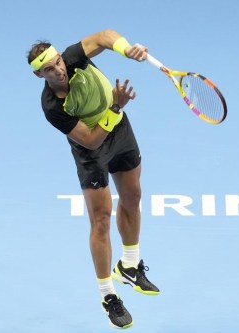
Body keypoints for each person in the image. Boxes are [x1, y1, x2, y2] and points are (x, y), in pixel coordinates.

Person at [27, 29, 159, 329]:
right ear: (40, 75)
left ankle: (129, 265)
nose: (58, 70)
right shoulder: (52, 106)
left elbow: (104, 37)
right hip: (92, 148)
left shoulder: (74, 58)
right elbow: (89, 139)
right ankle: (108, 295)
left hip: (119, 129)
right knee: (100, 219)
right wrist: (115, 107)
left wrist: (127, 50)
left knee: (133, 197)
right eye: (49, 69)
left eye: (58, 62)